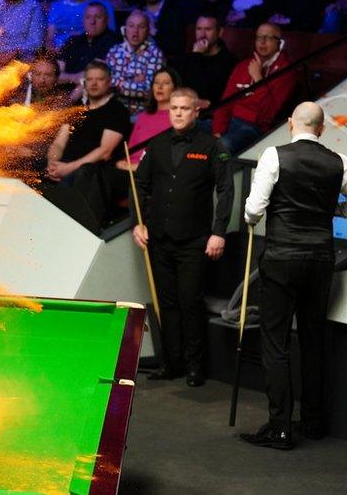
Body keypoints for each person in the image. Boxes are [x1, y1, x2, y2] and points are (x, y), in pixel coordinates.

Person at [240, 101, 346, 449]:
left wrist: (251, 219)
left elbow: (254, 209)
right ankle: (314, 423)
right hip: (320, 259)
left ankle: (280, 427)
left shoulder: (274, 155)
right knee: (314, 339)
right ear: (321, 129)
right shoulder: (338, 162)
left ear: (290, 124)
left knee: (276, 343)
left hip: (283, 257)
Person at [132, 87, 233, 387]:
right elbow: (140, 186)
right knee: (167, 303)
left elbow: (226, 190)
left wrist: (219, 232)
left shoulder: (212, 146)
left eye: (184, 108)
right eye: (173, 108)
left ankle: (194, 366)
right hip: (160, 238)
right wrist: (138, 223)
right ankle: (170, 363)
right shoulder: (158, 144)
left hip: (194, 239)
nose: (177, 112)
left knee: (190, 302)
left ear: (196, 111)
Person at [46, 60, 131, 224]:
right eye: (90, 79)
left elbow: (105, 151)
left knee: (82, 174)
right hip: (65, 164)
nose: (93, 83)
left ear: (109, 82)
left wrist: (68, 168)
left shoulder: (116, 110)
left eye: (99, 79)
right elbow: (59, 142)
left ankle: (66, 227)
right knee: (36, 165)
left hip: (92, 168)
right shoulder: (78, 107)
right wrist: (53, 163)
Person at [212, 23, 296, 154]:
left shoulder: (286, 71)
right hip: (231, 121)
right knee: (190, 128)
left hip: (255, 127)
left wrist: (258, 78)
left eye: (268, 38)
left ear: (279, 43)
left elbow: (268, 113)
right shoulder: (244, 65)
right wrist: (217, 131)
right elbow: (226, 102)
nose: (262, 42)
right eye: (259, 37)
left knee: (224, 144)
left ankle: (216, 174)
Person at [117, 66, 181, 171]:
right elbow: (130, 150)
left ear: (175, 88)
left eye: (166, 83)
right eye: (156, 83)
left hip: (154, 173)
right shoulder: (143, 116)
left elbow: (172, 159)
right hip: (129, 170)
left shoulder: (179, 117)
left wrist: (137, 167)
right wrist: (123, 163)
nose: (160, 87)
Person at [170, 13, 238, 110]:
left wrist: (196, 57)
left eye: (208, 29)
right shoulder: (185, 58)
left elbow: (205, 91)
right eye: (199, 29)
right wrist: (195, 56)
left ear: (220, 32)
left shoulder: (229, 62)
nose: (202, 35)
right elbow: (175, 85)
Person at [105, 10, 165, 116]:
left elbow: (148, 91)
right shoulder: (114, 51)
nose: (135, 31)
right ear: (124, 28)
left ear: (148, 30)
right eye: (131, 26)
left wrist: (117, 82)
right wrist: (133, 81)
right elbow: (105, 84)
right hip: (113, 111)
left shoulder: (155, 54)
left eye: (141, 27)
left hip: (141, 114)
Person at [58, 2, 120, 89]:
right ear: (83, 20)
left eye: (98, 17)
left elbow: (92, 78)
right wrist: (73, 77)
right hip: (63, 92)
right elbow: (56, 74)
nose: (92, 21)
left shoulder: (114, 44)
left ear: (107, 20)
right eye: (88, 17)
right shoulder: (73, 41)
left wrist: (68, 101)